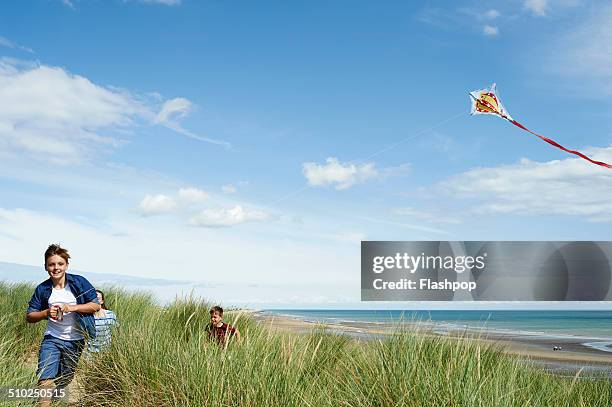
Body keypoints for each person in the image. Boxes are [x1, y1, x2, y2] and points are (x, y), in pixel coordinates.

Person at [26, 244, 100, 407]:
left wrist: (71, 307)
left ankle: (57, 399)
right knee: (45, 378)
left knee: (65, 378)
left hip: (76, 340)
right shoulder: (42, 289)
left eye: (60, 264)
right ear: (46, 266)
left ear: (66, 265)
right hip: (52, 338)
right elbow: (30, 316)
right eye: (51, 264)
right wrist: (45, 313)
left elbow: (95, 305)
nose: (56, 268)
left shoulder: (79, 282)